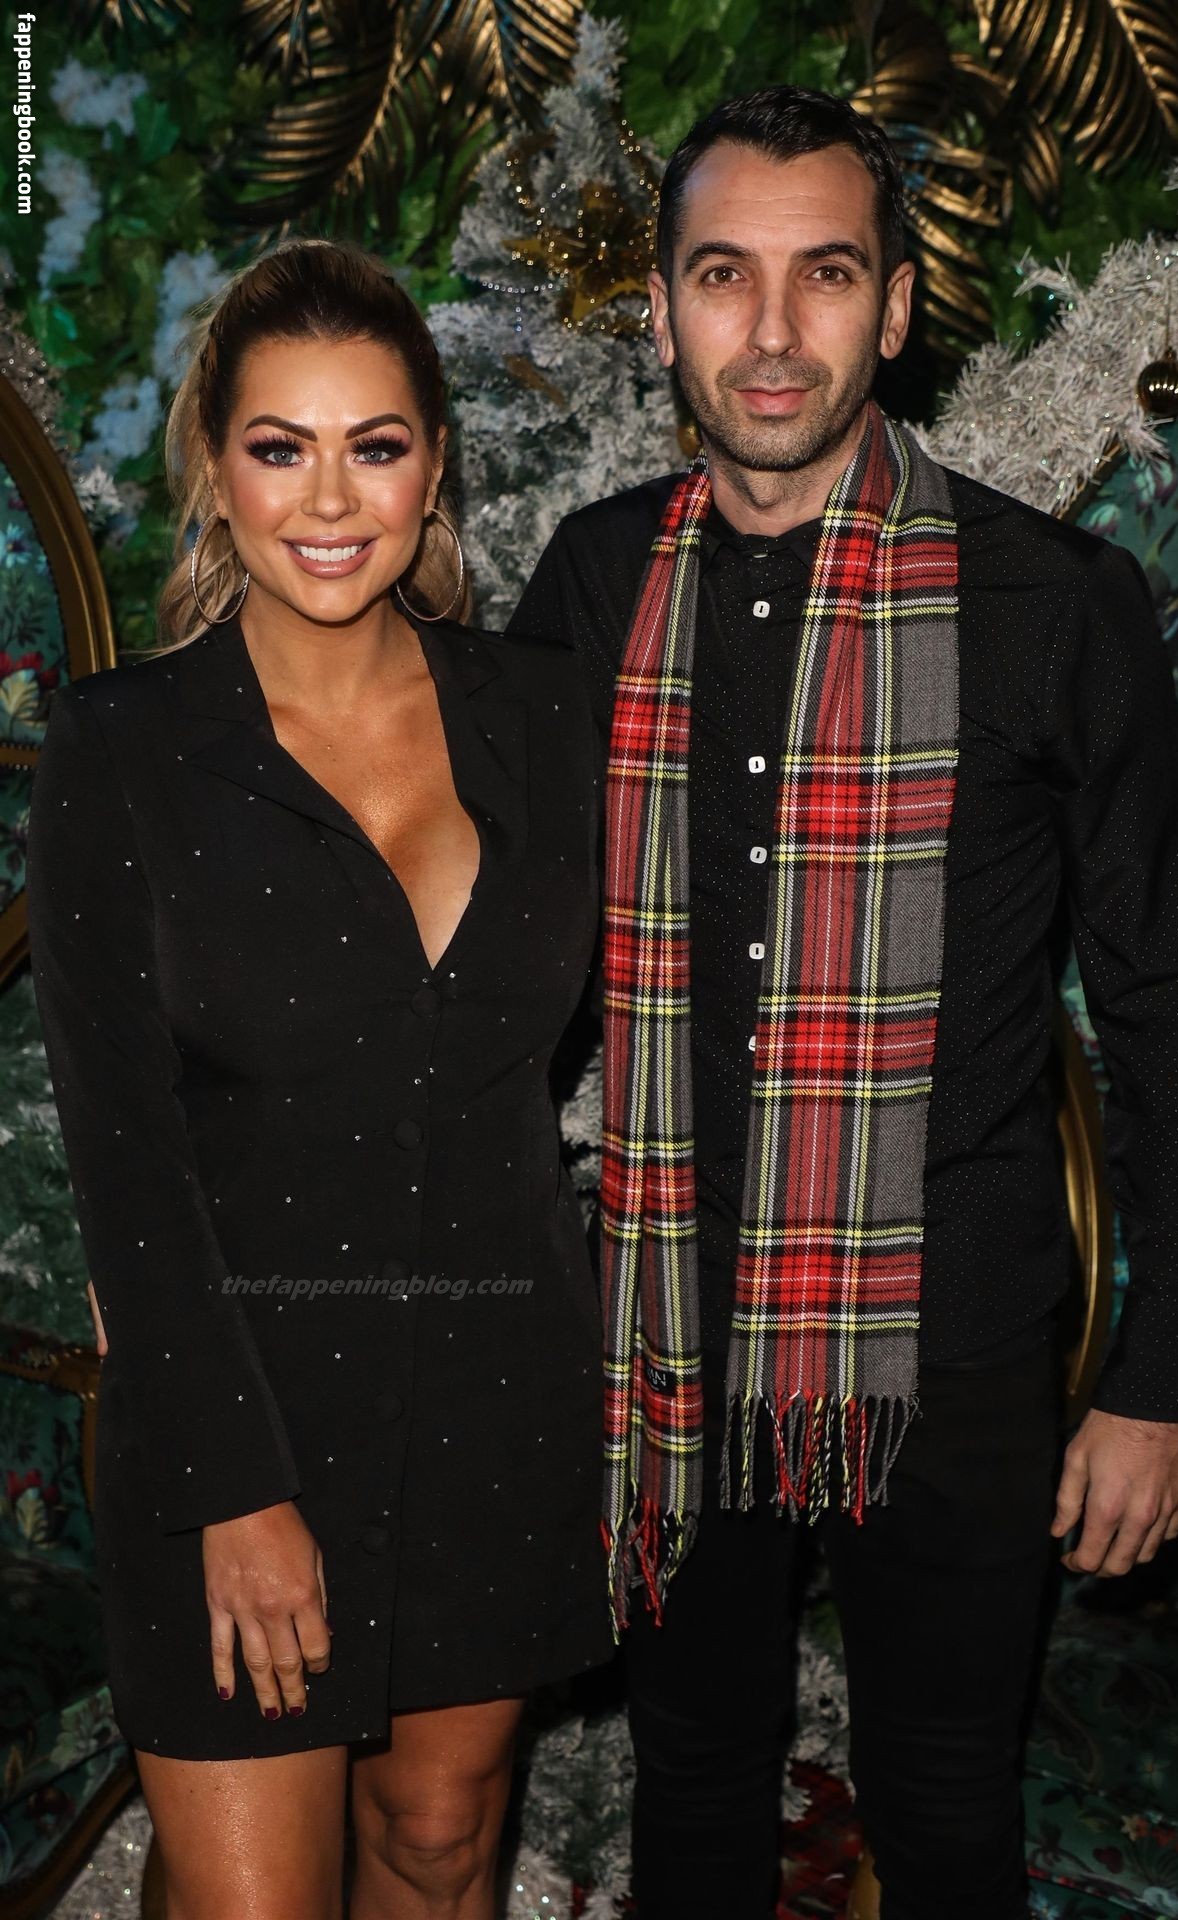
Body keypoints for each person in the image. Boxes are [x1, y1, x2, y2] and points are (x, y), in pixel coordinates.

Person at [507, 87, 1178, 1920]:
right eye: (722, 275)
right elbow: (487, 971)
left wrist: (1158, 1383)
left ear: (896, 306)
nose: (771, 332)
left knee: (942, 1814)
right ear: (660, 309)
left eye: (824, 274)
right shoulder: (592, 582)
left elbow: (1173, 1009)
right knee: (689, 1788)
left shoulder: (1051, 602)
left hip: (960, 1339)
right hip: (664, 1325)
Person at [26, 236, 610, 1920]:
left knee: (439, 1843)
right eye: (280, 447)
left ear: (435, 467)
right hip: (235, 1404)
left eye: (377, 444)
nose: (331, 499)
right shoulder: (124, 750)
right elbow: (125, 1160)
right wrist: (234, 1491)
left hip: (497, 1385)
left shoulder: (548, 717)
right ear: (216, 473)